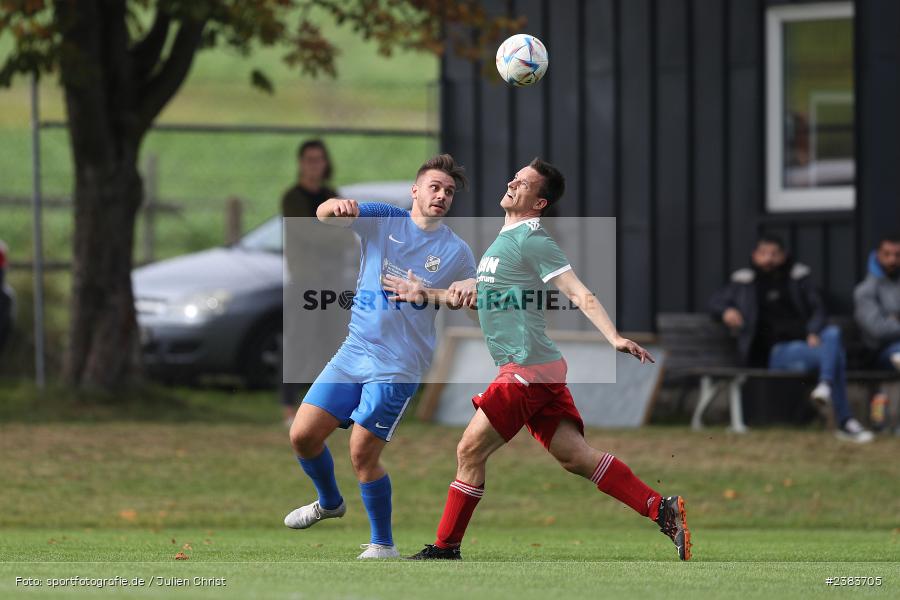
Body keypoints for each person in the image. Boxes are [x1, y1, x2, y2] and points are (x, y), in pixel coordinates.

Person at [385, 158, 692, 561]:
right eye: (515, 176)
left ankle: (445, 547)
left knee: (470, 450)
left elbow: (577, 291)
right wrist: (427, 293)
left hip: (526, 367)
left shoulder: (533, 239)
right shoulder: (503, 241)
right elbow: (485, 302)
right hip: (538, 368)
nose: (513, 181)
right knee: (576, 457)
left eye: (524, 182)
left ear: (539, 203)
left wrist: (613, 336)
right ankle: (661, 508)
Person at [284, 154, 477, 559]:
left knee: (362, 453)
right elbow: (323, 214)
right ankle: (329, 503)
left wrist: (458, 290)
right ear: (416, 190)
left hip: (398, 366)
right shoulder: (385, 218)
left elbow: (474, 300)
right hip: (354, 352)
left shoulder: (455, 251)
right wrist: (334, 208)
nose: (441, 195)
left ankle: (382, 544)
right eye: (434, 187)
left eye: (449, 191)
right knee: (302, 436)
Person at [709, 235, 873, 443]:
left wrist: (813, 331)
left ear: (783, 255)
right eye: (764, 253)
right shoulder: (744, 282)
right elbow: (714, 303)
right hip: (776, 352)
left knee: (833, 334)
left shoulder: (798, 280)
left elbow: (819, 309)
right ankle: (844, 418)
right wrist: (726, 312)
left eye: (774, 254)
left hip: (807, 346)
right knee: (836, 356)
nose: (769, 259)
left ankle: (825, 385)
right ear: (755, 255)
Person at [280, 140, 339, 425]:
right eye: (309, 160)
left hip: (333, 281)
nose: (314, 165)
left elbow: (346, 232)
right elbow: (312, 235)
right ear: (301, 163)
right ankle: (288, 406)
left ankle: (323, 407)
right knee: (299, 342)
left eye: (319, 159)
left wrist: (335, 234)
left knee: (331, 343)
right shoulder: (292, 198)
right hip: (304, 281)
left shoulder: (331, 195)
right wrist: (332, 233)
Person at [854, 234, 900, 371]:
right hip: (880, 353)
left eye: (897, 255)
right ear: (878, 255)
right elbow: (878, 330)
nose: (892, 260)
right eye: (887, 254)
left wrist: (892, 318)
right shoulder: (865, 290)